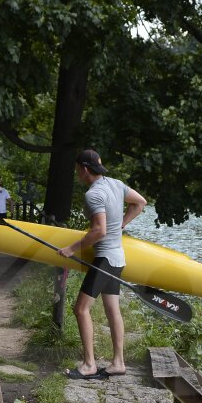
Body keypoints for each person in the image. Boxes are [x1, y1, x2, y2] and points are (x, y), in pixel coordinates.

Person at [60, 149, 146, 380]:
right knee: (112, 309)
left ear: (84, 169)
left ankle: (89, 364)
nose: (78, 172)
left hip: (105, 258)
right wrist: (123, 224)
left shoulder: (93, 195)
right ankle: (118, 362)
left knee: (81, 309)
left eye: (78, 168)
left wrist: (71, 248)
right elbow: (140, 203)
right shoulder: (116, 184)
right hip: (117, 256)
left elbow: (99, 230)